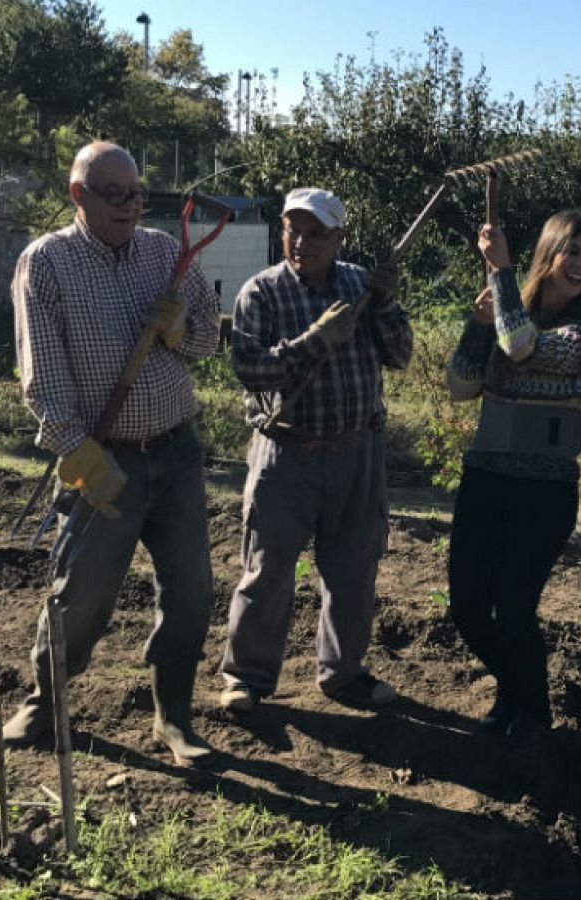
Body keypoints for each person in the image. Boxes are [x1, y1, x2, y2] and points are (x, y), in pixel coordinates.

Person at [3, 142, 223, 766]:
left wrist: (180, 330)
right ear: (79, 195)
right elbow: (40, 376)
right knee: (84, 597)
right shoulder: (46, 263)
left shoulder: (165, 253)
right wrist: (77, 453)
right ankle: (46, 699)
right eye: (114, 194)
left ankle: (172, 716)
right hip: (105, 456)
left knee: (190, 591)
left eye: (136, 193)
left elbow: (207, 342)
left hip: (176, 453)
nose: (131, 205)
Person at [218, 187, 412, 712]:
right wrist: (313, 342)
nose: (301, 242)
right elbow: (249, 370)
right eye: (292, 229)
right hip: (286, 455)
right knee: (267, 571)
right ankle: (247, 677)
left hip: (357, 452)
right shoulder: (261, 293)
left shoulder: (362, 287)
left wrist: (388, 303)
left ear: (340, 236)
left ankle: (343, 674)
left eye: (316, 233)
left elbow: (401, 356)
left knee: (353, 573)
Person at [445, 211, 581, 740]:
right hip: (486, 481)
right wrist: (477, 324)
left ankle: (532, 711)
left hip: (545, 492)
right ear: (550, 253)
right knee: (468, 607)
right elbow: (460, 386)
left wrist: (501, 271)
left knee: (514, 608)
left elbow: (522, 346)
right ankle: (515, 689)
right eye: (573, 251)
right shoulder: (504, 315)